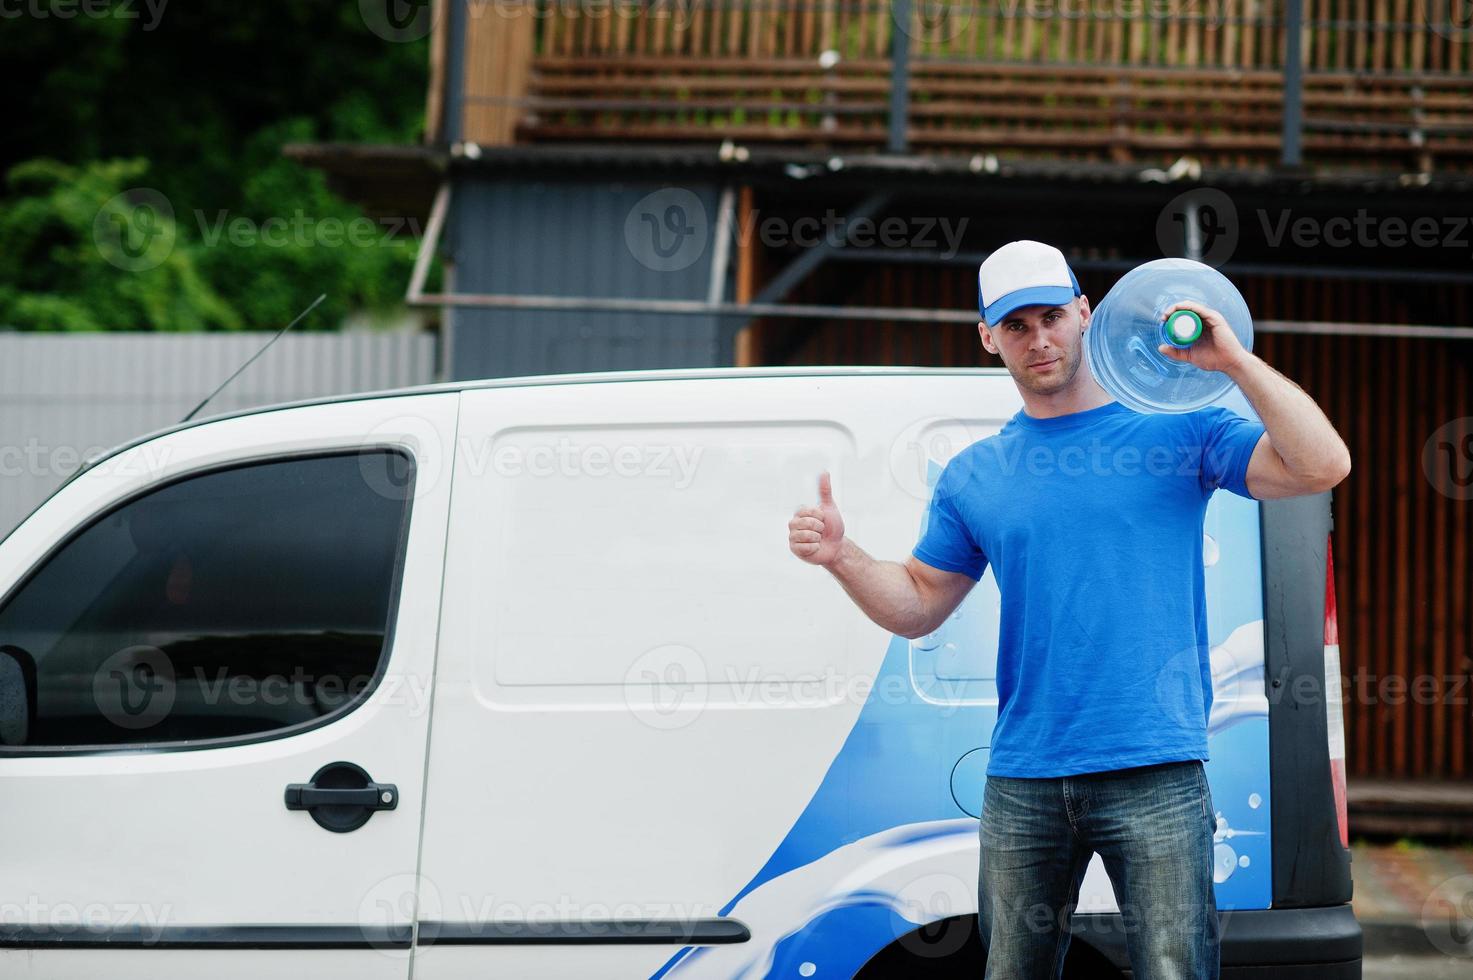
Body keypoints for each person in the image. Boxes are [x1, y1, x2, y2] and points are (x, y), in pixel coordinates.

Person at [786, 240, 1351, 979]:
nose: (1039, 338)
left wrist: (1235, 364)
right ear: (988, 338)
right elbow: (919, 606)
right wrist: (842, 556)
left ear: (1085, 313)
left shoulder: (1178, 430)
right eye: (1015, 325)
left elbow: (1321, 465)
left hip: (1155, 769)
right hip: (1023, 778)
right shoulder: (974, 474)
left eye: (1052, 315)